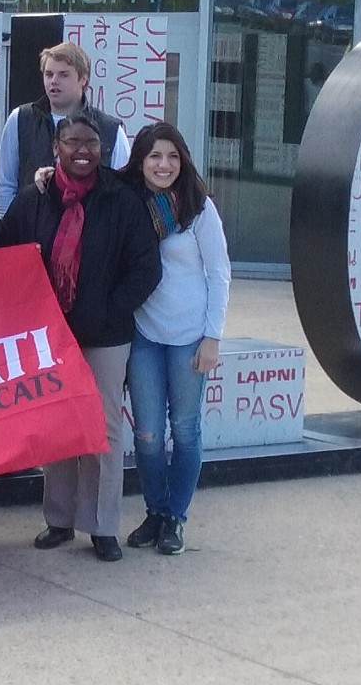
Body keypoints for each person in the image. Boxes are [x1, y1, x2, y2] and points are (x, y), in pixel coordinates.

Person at [0, 115, 161, 563]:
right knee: (58, 423)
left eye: (91, 143)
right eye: (73, 142)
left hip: (106, 336)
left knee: (103, 427)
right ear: (56, 147)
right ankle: (59, 519)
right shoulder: (35, 199)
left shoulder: (121, 200)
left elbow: (146, 267)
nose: (83, 151)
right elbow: (4, 250)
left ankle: (103, 526)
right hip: (50, 335)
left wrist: (110, 309)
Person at [120, 123, 230, 556]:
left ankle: (175, 517)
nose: (163, 165)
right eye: (154, 156)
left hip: (190, 336)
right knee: (147, 433)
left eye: (171, 156)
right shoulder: (127, 204)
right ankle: (155, 510)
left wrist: (212, 337)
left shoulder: (199, 208)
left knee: (185, 429)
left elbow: (219, 273)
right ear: (140, 161)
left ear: (182, 161)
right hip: (145, 334)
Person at [0, 43, 131, 216]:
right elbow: (5, 186)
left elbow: (123, 191)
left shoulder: (111, 130)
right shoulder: (20, 119)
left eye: (64, 74)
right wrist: (11, 226)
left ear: (83, 78)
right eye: (49, 74)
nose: (54, 81)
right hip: (31, 227)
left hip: (91, 227)